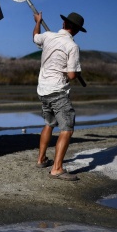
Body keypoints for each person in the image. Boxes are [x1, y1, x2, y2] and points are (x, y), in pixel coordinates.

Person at [32, 12, 87, 181]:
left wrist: (38, 22)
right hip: (57, 91)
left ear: (63, 24)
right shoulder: (72, 46)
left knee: (49, 123)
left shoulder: (47, 36)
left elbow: (35, 37)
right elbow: (71, 75)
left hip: (42, 89)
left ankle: (41, 159)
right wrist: (76, 72)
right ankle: (56, 169)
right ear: (76, 31)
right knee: (67, 128)